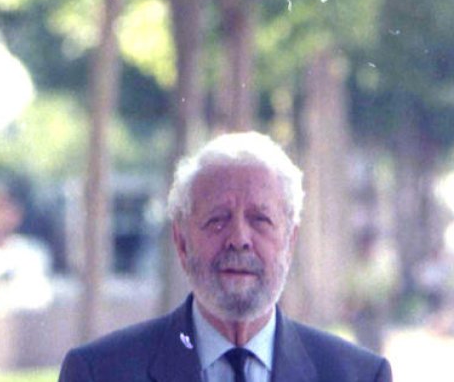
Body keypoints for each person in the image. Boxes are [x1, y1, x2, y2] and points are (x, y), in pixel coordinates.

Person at [59, 131, 392, 381]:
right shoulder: (99, 373)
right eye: (217, 220)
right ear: (181, 240)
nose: (239, 239)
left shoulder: (360, 376)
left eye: (260, 219)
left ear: (290, 241)